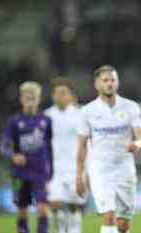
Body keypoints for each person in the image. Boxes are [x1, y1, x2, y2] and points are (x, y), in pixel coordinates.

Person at [76, 65, 141, 233]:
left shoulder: (130, 107)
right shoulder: (88, 111)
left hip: (125, 168)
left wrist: (137, 144)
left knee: (123, 224)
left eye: (113, 80)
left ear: (118, 82)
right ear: (97, 84)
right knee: (108, 216)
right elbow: (81, 146)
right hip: (100, 169)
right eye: (105, 80)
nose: (109, 83)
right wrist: (79, 175)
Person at [0, 81, 53, 233]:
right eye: (27, 98)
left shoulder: (46, 121)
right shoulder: (14, 122)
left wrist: (51, 172)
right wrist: (13, 155)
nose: (30, 102)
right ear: (21, 99)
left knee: (43, 209)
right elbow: (4, 145)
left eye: (33, 98)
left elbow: (49, 147)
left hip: (40, 173)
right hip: (19, 175)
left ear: (39, 99)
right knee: (22, 210)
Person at [45, 78, 88, 233]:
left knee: (73, 206)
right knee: (55, 204)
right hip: (53, 168)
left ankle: (73, 227)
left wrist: (87, 170)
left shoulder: (80, 115)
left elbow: (86, 144)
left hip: (74, 167)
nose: (60, 96)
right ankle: (60, 226)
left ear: (70, 95)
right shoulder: (46, 117)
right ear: (52, 96)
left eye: (63, 93)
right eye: (57, 93)